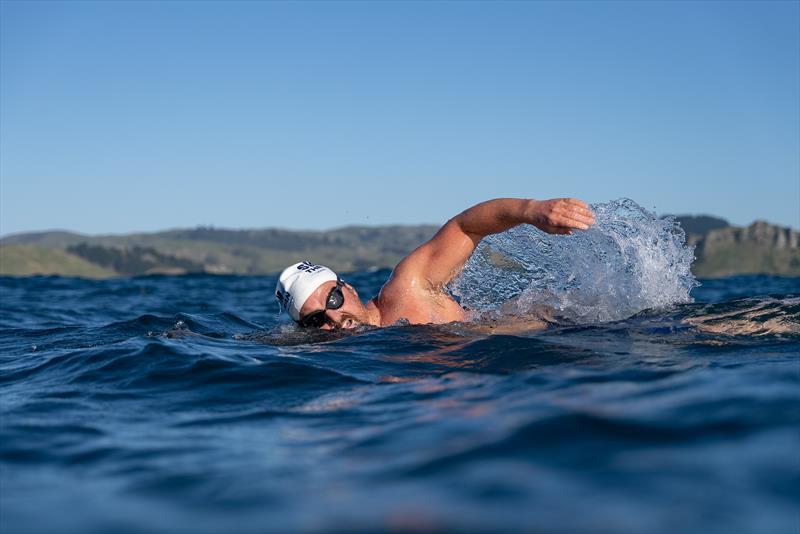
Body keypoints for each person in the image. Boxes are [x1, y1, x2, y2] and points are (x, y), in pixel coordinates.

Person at [275, 197, 595, 330]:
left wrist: (531, 210)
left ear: (349, 288)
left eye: (332, 298)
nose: (333, 315)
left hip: (563, 326)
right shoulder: (347, 359)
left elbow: (465, 227)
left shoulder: (407, 287)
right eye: (316, 319)